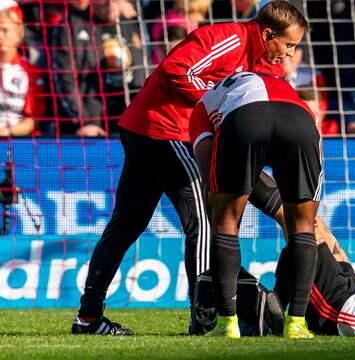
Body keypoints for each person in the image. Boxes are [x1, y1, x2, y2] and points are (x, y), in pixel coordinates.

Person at [71, 0, 309, 336]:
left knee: (126, 225)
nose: (288, 54)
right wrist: (216, 100)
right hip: (164, 129)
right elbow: (177, 69)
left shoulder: (267, 68)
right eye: (288, 45)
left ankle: (88, 317)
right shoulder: (230, 39)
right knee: (204, 221)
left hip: (148, 130)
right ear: (268, 34)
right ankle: (205, 319)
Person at [189, 71, 322, 339]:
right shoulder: (282, 84)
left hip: (246, 119)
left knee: (224, 220)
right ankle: (296, 322)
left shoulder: (202, 105)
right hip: (301, 119)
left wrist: (218, 213)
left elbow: (208, 175)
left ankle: (228, 324)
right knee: (304, 225)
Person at [48, 0, 144, 136]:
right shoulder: (71, 26)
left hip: (131, 124)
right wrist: (83, 122)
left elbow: (144, 73)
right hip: (92, 128)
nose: (110, 3)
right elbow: (63, 79)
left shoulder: (131, 25)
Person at [0, 0, 46, 137]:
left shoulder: (31, 72)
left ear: (19, 33)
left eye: (4, 30)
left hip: (20, 143)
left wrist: (6, 132)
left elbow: (34, 120)